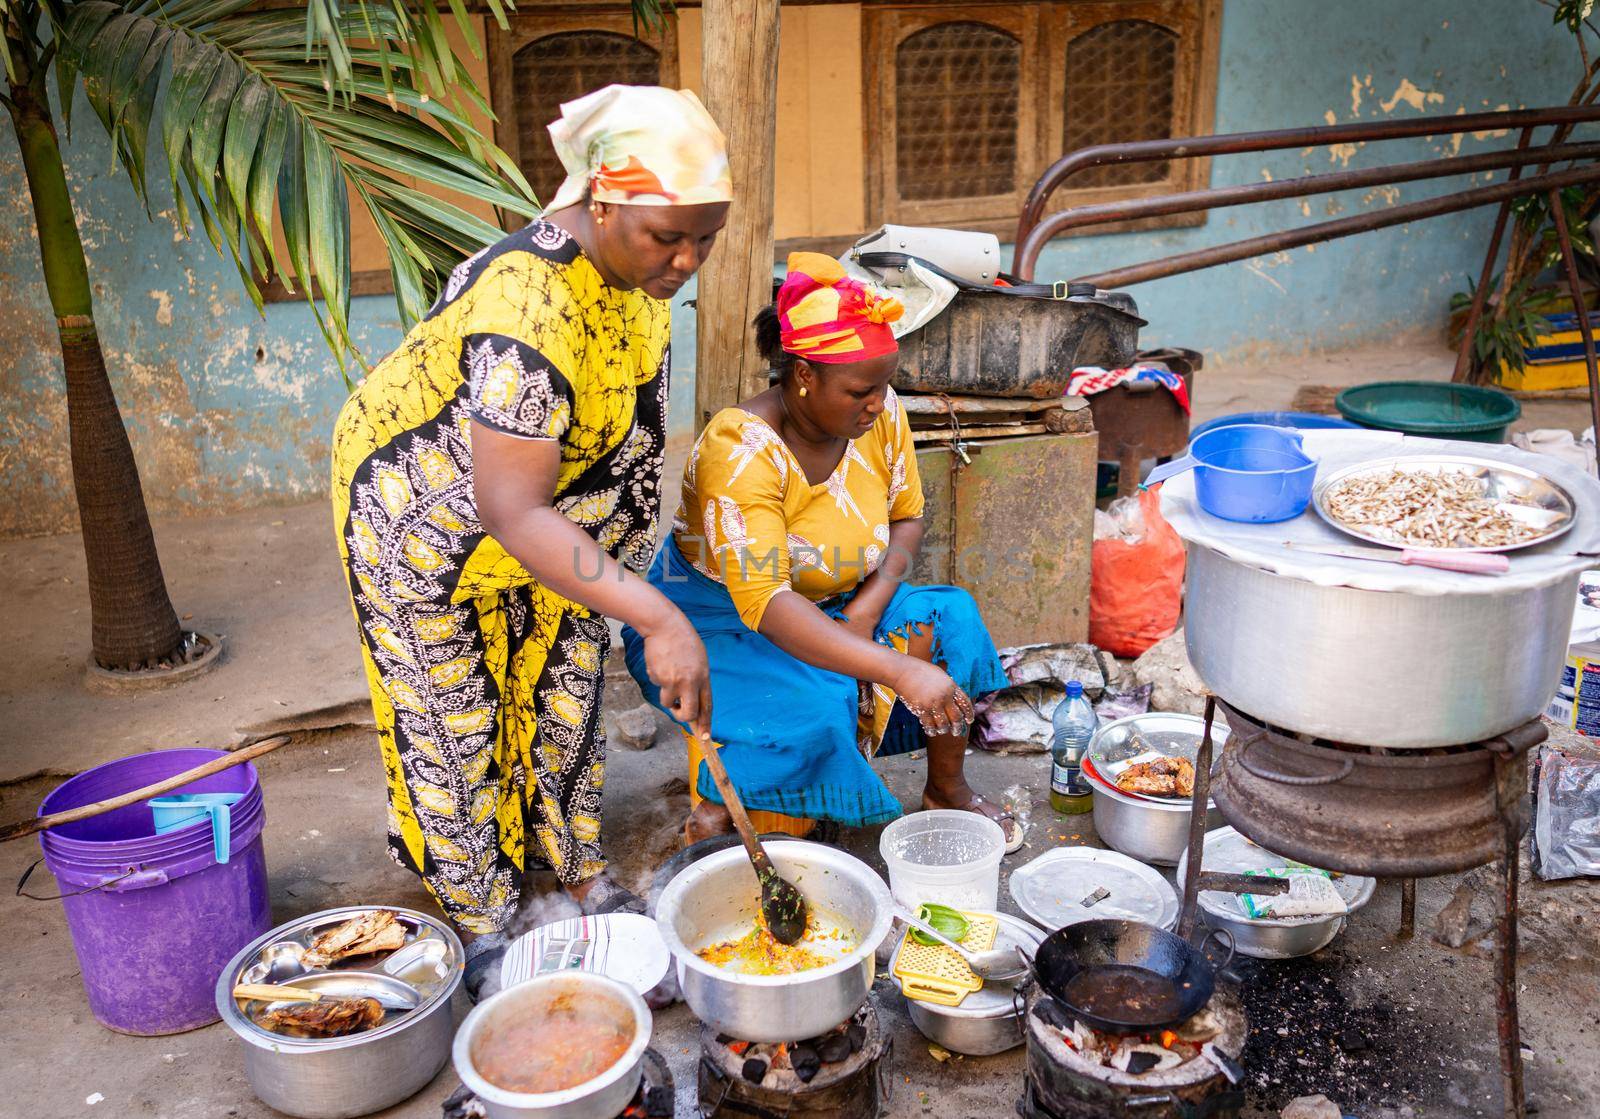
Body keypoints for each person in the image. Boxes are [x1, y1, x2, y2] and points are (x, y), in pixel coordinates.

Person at [330, 85, 730, 995]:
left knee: (565, 688)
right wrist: (654, 610)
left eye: (702, 237)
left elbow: (622, 430)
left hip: (560, 519)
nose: (685, 259)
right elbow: (510, 508)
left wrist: (617, 577)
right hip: (424, 522)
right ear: (600, 200)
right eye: (667, 235)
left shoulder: (636, 285)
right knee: (454, 711)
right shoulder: (526, 302)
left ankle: (576, 868)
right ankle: (487, 917)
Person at [623, 252, 1022, 851]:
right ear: (803, 375)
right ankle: (726, 797)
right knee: (811, 732)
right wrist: (896, 667)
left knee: (952, 620)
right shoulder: (740, 450)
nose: (878, 404)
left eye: (884, 386)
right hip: (724, 621)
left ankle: (948, 789)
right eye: (861, 390)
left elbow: (907, 516)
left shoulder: (877, 414)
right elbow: (767, 603)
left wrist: (864, 613)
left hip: (842, 599)